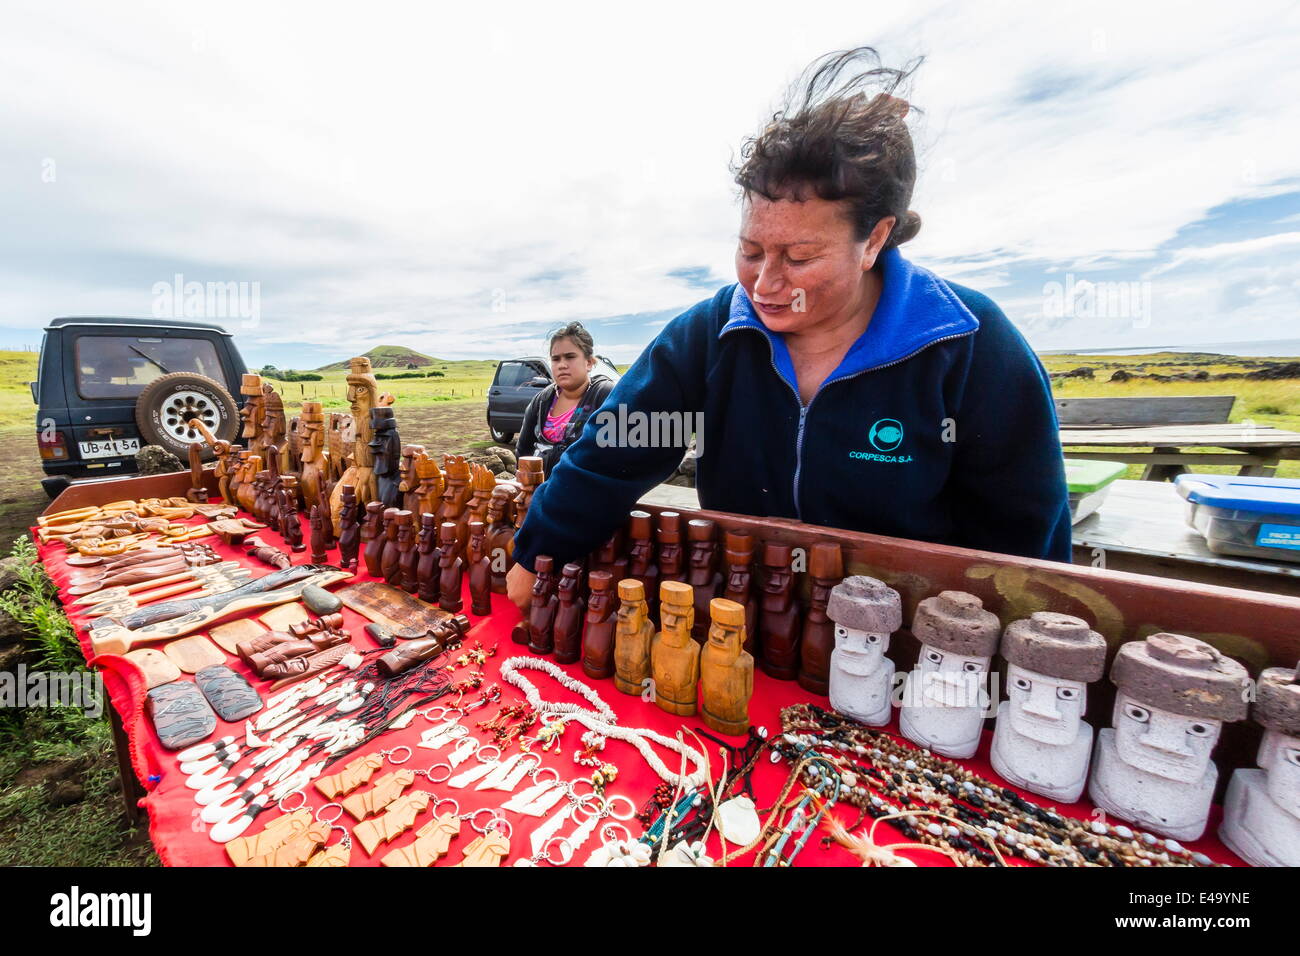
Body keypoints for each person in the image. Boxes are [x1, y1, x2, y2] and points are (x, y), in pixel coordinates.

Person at [508, 48, 1071, 610]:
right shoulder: (709, 338)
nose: (765, 284)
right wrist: (536, 556)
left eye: (799, 257)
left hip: (914, 642)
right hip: (744, 617)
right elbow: (611, 455)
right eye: (750, 250)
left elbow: (1026, 539)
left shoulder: (966, 344)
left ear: (874, 239)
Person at [515, 322, 616, 477]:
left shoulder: (605, 395)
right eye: (556, 359)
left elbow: (621, 455)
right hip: (541, 494)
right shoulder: (542, 401)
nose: (562, 365)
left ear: (589, 362)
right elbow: (523, 451)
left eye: (570, 357)